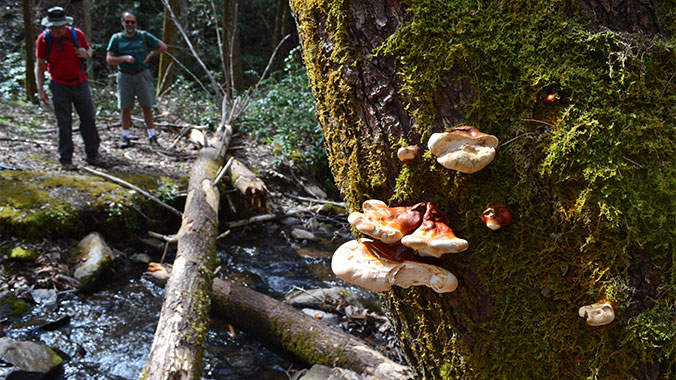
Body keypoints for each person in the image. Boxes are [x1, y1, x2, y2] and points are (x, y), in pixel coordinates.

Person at [35, 6, 101, 171]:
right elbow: (40, 64)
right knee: (63, 123)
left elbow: (89, 50)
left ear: (65, 24)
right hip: (58, 85)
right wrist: (40, 89)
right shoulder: (43, 39)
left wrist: (85, 53)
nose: (57, 29)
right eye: (53, 26)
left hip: (80, 82)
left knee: (89, 119)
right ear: (49, 26)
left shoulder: (76, 34)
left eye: (59, 26)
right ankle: (66, 160)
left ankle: (93, 155)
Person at [106, 10, 167, 149]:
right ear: (122, 23)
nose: (130, 24)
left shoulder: (144, 36)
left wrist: (151, 54)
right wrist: (124, 58)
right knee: (125, 108)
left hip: (142, 74)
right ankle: (125, 136)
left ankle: (152, 136)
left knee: (147, 107)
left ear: (136, 23)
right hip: (124, 75)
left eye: (132, 22)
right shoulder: (116, 38)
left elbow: (163, 47)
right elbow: (109, 59)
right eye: (127, 21)